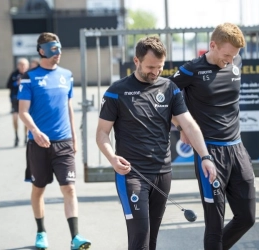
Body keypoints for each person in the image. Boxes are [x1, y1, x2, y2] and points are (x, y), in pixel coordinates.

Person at [96, 36, 217, 250]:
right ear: (136, 61)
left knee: (151, 239)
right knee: (140, 236)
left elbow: (188, 124)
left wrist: (205, 157)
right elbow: (102, 134)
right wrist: (112, 158)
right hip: (131, 173)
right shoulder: (117, 91)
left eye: (160, 67)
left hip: (162, 173)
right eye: (150, 67)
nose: (155, 72)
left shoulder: (169, 88)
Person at [169, 23, 256, 250]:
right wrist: (182, 127)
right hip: (209, 152)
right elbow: (162, 99)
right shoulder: (191, 69)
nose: (229, 60)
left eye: (234, 55)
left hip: (237, 149)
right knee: (214, 225)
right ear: (212, 45)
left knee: (247, 217)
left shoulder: (235, 61)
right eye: (226, 54)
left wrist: (231, 58)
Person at [18, 32, 91, 250]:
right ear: (41, 50)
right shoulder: (29, 77)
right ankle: (41, 232)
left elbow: (68, 107)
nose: (57, 53)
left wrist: (74, 138)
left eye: (58, 48)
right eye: (52, 49)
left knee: (69, 188)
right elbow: (23, 111)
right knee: (38, 188)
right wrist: (35, 131)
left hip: (64, 142)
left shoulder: (66, 75)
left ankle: (75, 237)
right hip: (38, 144)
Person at [6, 57, 29, 146]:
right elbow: (8, 85)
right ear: (18, 65)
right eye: (21, 65)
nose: (23, 67)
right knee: (15, 117)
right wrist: (16, 83)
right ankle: (16, 136)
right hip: (15, 99)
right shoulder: (14, 74)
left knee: (26, 119)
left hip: (26, 99)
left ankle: (26, 137)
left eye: (24, 65)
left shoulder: (29, 74)